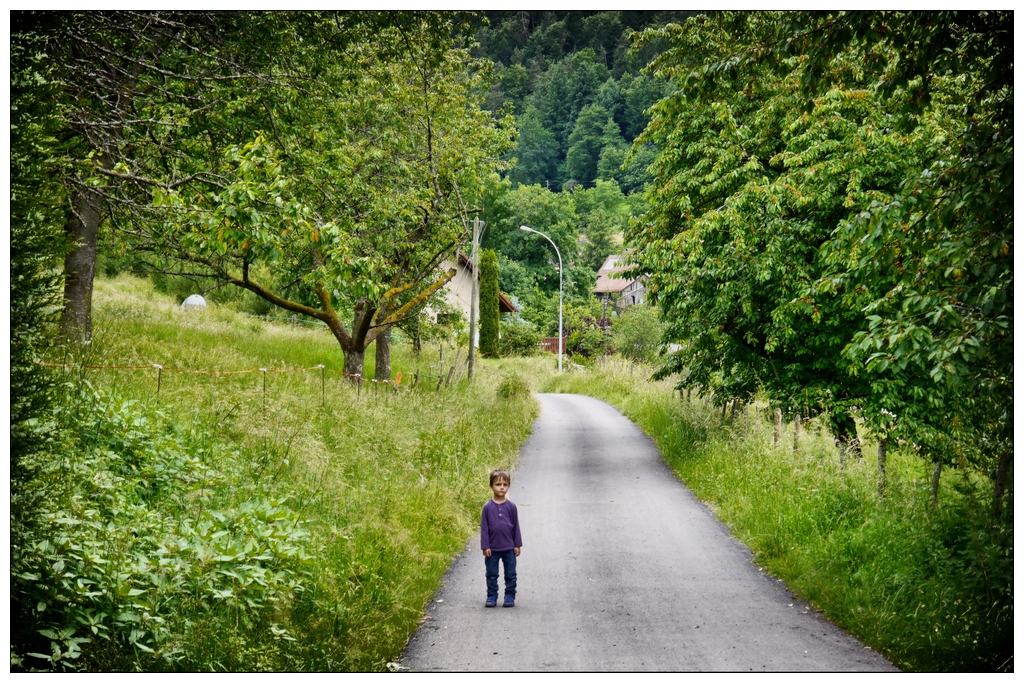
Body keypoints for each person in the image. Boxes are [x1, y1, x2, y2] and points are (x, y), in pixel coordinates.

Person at [480, 469, 522, 608]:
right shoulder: (487, 507)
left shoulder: (511, 507)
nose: (502, 487)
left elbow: (516, 526)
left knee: (511, 573)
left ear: (509, 486)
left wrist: (517, 545)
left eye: (505, 484)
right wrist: (485, 546)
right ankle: (492, 595)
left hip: (509, 548)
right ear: (491, 486)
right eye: (498, 484)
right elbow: (484, 529)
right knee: (491, 574)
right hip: (492, 549)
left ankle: (510, 595)